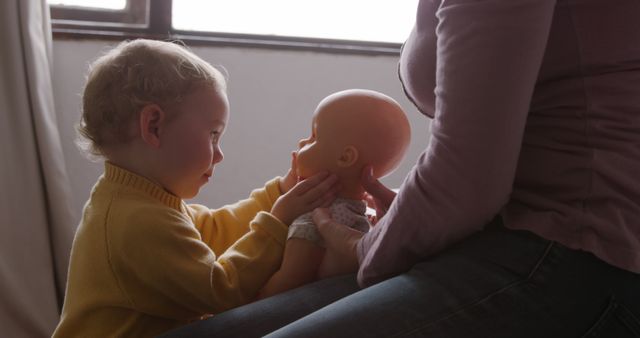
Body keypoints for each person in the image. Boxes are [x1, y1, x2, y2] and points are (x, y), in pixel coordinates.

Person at [160, 0, 640, 337]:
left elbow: (468, 182)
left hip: (577, 254)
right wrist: (407, 218)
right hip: (498, 234)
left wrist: (366, 246)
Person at [52, 39, 340, 338]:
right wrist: (277, 223)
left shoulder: (141, 200)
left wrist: (279, 192)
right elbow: (221, 291)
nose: (219, 153)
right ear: (154, 126)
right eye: (213, 134)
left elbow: (213, 230)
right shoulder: (136, 222)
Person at [257, 89, 411, 298]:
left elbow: (287, 284)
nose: (302, 143)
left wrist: (247, 301)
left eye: (314, 137)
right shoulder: (365, 222)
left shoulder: (312, 221)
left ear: (345, 157)